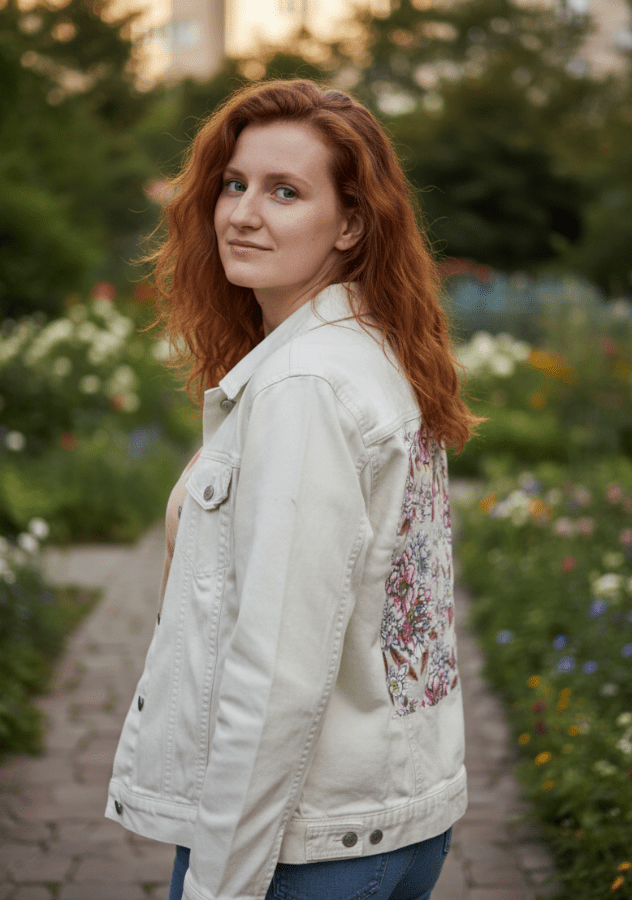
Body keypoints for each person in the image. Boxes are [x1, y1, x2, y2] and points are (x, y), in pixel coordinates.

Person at [105, 79, 480, 900]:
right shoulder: (363, 348)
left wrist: (218, 886)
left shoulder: (306, 386)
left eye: (285, 191)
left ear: (350, 223)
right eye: (234, 184)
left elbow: (275, 673)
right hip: (387, 820)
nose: (243, 213)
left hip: (303, 849)